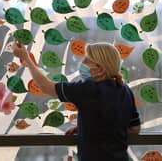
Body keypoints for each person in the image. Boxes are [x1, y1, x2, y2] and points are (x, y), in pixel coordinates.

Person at [12, 41, 141, 161]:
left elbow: (45, 86)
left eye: (88, 60)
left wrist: (26, 58)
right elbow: (135, 128)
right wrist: (92, 128)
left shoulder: (88, 88)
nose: (83, 62)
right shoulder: (125, 90)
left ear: (101, 69)